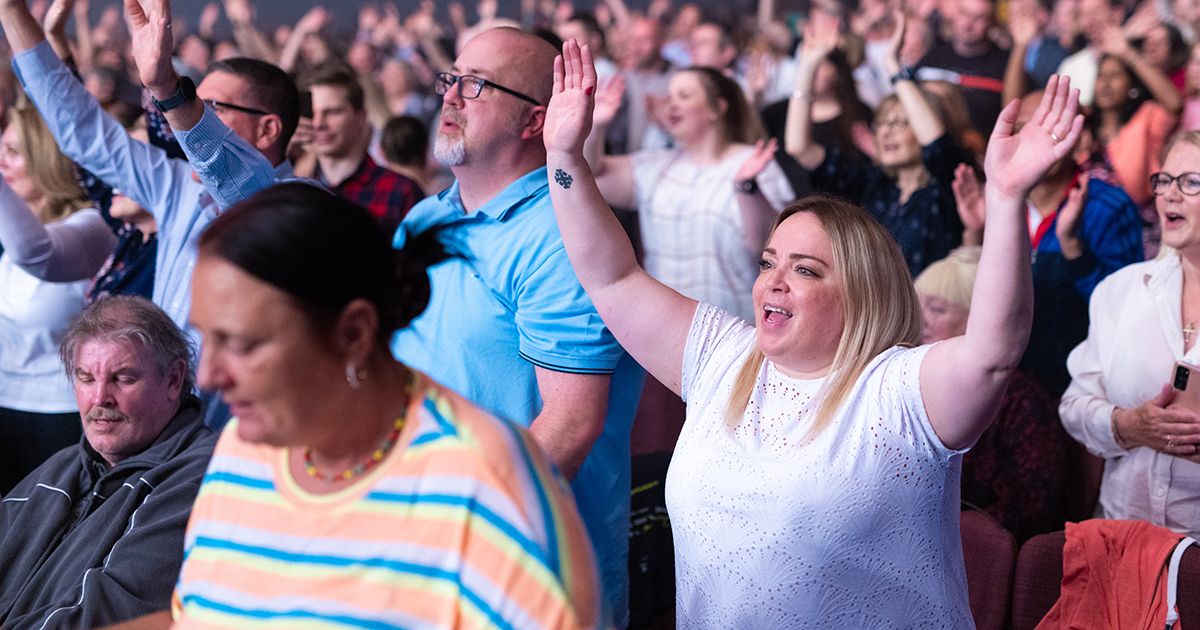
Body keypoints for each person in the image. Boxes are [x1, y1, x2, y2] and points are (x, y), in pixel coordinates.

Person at [544, 38, 1083, 626]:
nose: (774, 282)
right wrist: (566, 158)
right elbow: (612, 277)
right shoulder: (723, 357)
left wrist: (1006, 197)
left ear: (861, 294)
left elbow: (993, 355)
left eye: (805, 270)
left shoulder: (896, 391)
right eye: (769, 262)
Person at [179, 182, 601, 630]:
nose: (207, 377)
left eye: (241, 344)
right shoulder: (244, 447)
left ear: (354, 334)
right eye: (205, 337)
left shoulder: (486, 486)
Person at [386, 27, 644, 629]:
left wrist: (452, 523)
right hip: (424, 549)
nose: (450, 97)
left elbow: (571, 426)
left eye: (475, 86)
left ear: (534, 122)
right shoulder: (426, 215)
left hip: (527, 573)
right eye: (451, 79)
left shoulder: (562, 236)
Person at [0, 295, 216, 630]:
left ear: (174, 379)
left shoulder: (200, 476)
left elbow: (106, 615)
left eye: (123, 378)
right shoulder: (61, 467)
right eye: (86, 378)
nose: (100, 398)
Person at [1059, 130, 1200, 538]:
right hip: (1117, 535)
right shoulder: (1120, 291)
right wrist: (1125, 426)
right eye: (1164, 181)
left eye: (1190, 182)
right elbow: (1073, 405)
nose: (1169, 195)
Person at [584, 65, 793, 322]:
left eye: (684, 96)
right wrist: (596, 126)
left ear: (717, 108)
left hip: (735, 331)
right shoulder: (655, 166)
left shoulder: (754, 162)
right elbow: (587, 175)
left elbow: (770, 247)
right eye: (670, 97)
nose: (672, 104)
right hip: (666, 330)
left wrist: (747, 187)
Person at [787, 12, 973, 277]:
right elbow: (799, 148)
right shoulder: (875, 184)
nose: (886, 133)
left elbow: (937, 143)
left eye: (899, 123)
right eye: (883, 124)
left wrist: (893, 67)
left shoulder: (947, 186)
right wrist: (806, 68)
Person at [915, 246, 1069, 542]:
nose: (921, 319)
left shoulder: (1023, 400)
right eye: (918, 305)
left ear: (981, 320)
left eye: (936, 309)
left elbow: (1032, 509)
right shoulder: (909, 378)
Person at [0, 106, 113, 494]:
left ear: (46, 157)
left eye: (14, 151)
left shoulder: (92, 226)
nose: (2, 161)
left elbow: (36, 252)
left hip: (57, 419)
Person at [298, 62, 423, 235]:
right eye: (311, 114)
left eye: (332, 112)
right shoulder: (296, 191)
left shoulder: (401, 191)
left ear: (361, 117)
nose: (318, 124)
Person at [913, 0, 1010, 135]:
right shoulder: (931, 60)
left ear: (992, 22)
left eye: (978, 17)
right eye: (964, 13)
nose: (968, 24)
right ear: (954, 14)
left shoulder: (1007, 65)